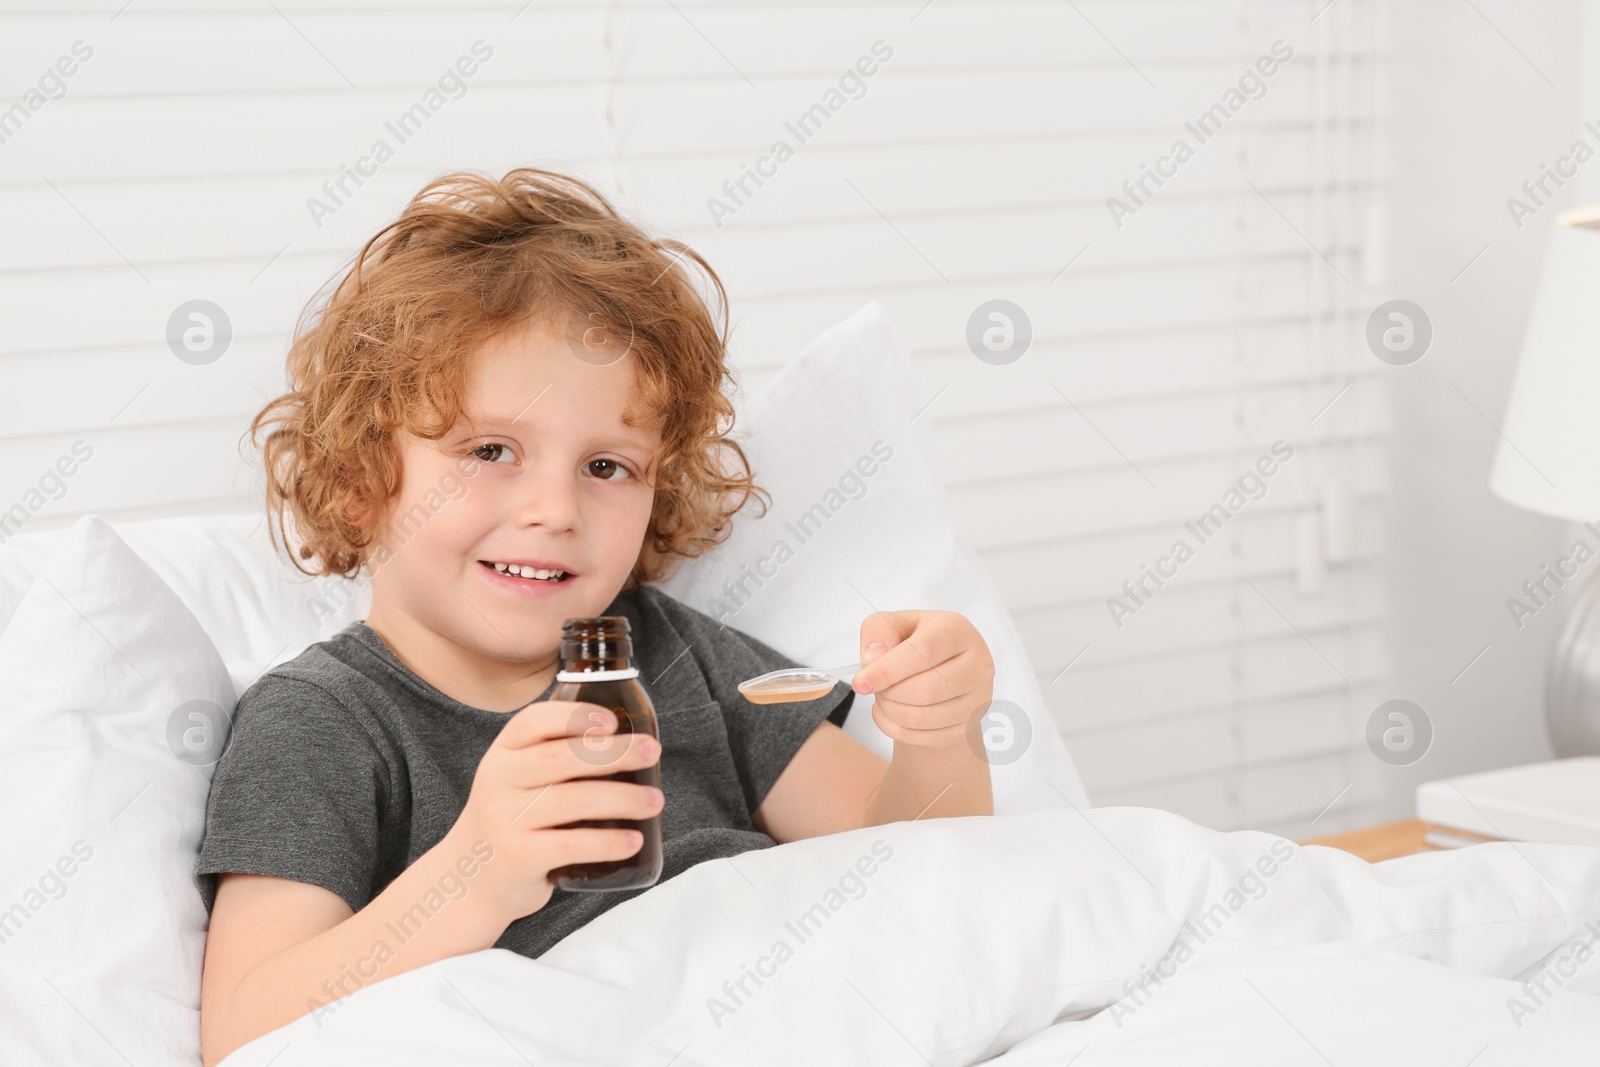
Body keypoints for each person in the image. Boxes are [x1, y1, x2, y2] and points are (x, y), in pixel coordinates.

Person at [195, 167, 996, 1065]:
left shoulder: (675, 653)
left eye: (607, 466)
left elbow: (926, 866)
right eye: (490, 449)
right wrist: (474, 876)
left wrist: (940, 732)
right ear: (356, 482)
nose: (555, 508)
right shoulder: (320, 722)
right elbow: (245, 1029)